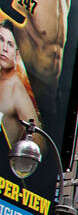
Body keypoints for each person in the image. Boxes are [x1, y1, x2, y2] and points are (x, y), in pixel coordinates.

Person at [0, 22, 39, 152]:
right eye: (1, 40)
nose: (4, 48)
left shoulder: (15, 88)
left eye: (10, 44)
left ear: (17, 54)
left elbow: (40, 143)